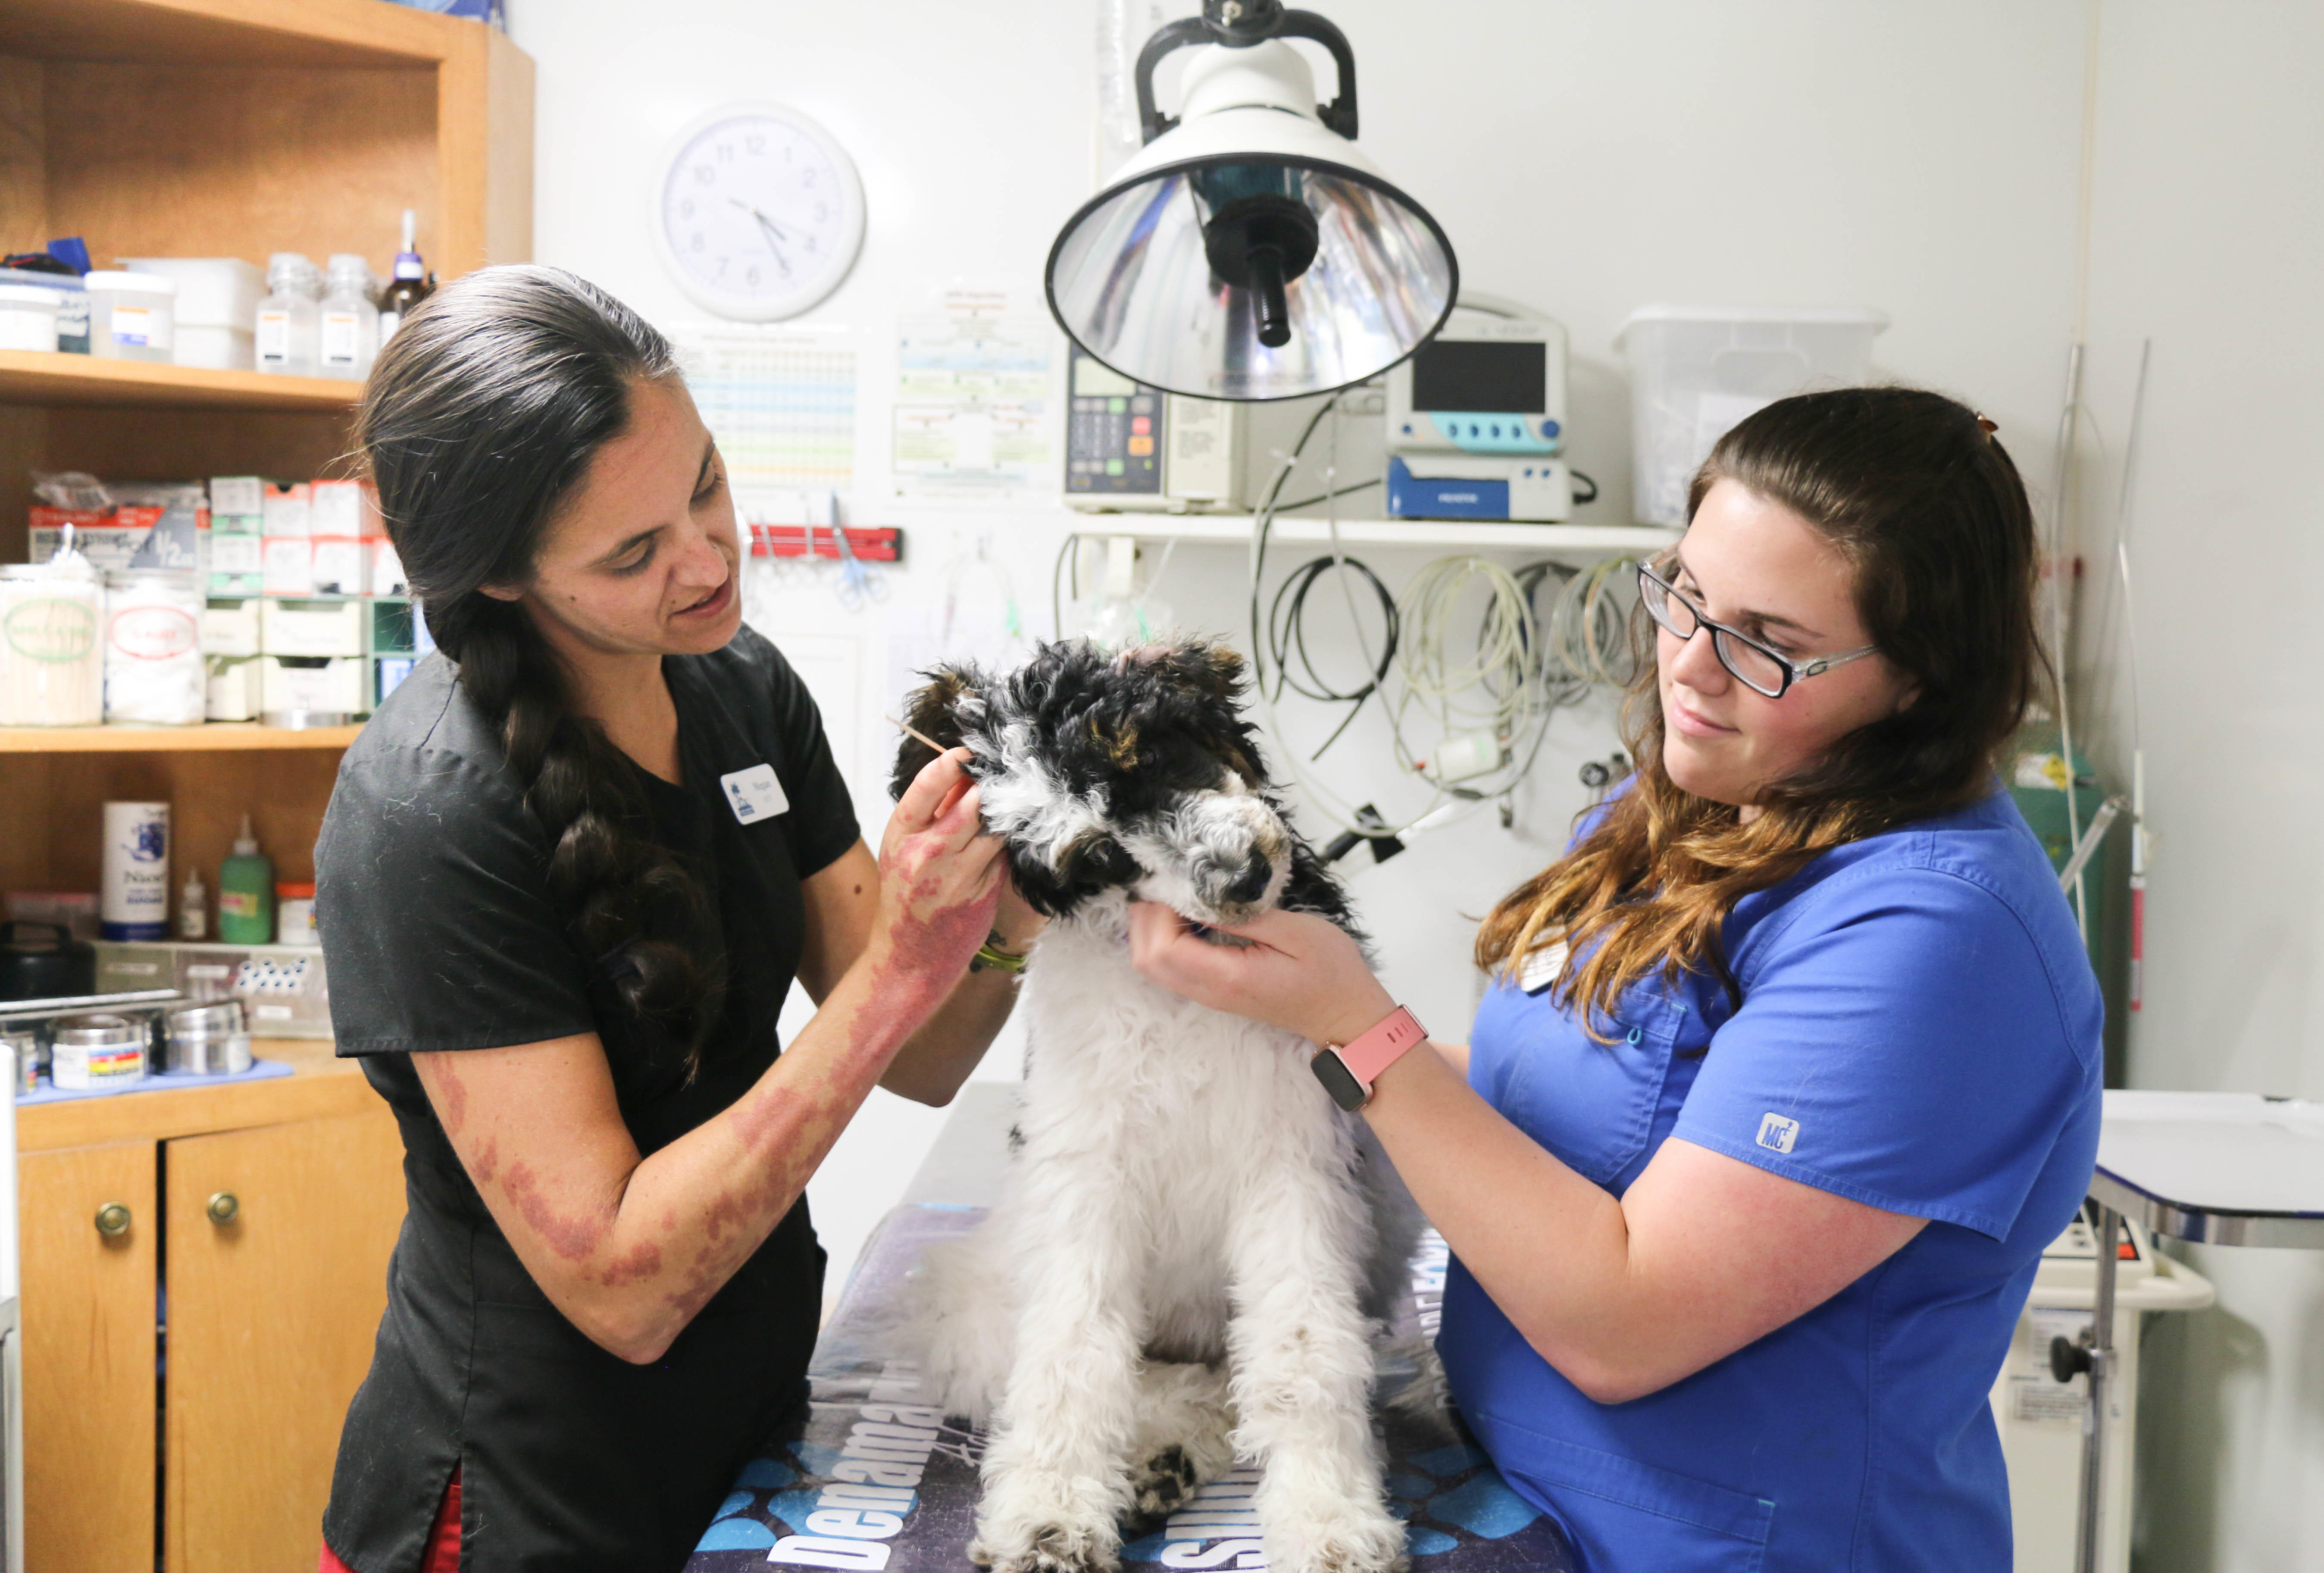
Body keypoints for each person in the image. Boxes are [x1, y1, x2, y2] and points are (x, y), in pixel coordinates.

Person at [1130, 388, 2102, 1571]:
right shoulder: (1700, 812)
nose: (1690, 666)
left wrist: (1356, 1027)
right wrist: (1278, 1025)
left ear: (1918, 679)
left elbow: (1627, 1323)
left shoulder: (1937, 937)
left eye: (1768, 645)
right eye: (1683, 595)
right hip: (1529, 1509)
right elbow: (1549, 1098)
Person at [312, 266, 1040, 1573]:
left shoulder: (740, 686)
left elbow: (924, 1057)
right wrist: (900, 972)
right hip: (535, 1499)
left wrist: (1014, 899)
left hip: (746, 1441)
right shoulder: (429, 814)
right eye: (632, 553)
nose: (708, 561)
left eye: (704, 483)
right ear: (499, 581)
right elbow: (625, 1289)